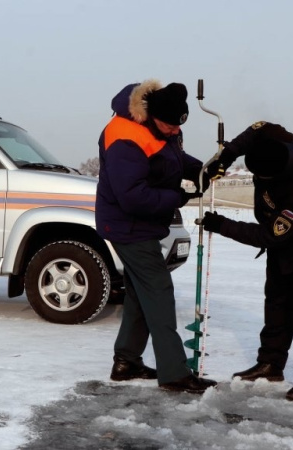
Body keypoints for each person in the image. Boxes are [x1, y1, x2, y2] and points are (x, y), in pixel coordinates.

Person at [201, 121, 293, 401]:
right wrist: (225, 158)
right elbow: (256, 128)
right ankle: (270, 364)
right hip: (284, 233)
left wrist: (222, 225)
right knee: (276, 298)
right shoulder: (276, 137)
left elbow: (270, 236)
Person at [95, 79, 216, 394]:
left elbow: (171, 158)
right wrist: (178, 196)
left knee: (140, 293)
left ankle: (126, 362)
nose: (176, 131)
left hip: (143, 223)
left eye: (180, 125)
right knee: (159, 291)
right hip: (127, 224)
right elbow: (132, 196)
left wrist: (203, 169)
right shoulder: (125, 136)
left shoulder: (164, 126)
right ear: (151, 115)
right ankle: (175, 373)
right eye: (170, 125)